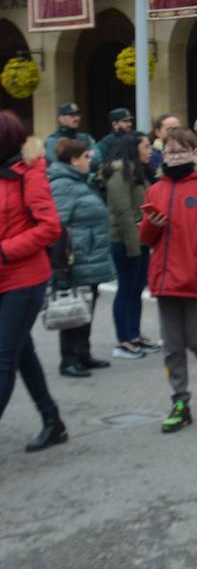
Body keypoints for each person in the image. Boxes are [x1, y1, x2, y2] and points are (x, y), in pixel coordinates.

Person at [140, 127, 197, 433]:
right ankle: (180, 401)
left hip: (196, 281)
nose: (176, 156)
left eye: (182, 151)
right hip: (166, 281)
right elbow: (147, 238)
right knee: (172, 347)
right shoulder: (156, 190)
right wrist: (151, 226)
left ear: (195, 154)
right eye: (170, 151)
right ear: (163, 154)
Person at [0, 112, 67, 452]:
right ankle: (52, 420)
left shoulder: (30, 174)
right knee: (19, 353)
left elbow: (50, 228)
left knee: (3, 357)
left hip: (24, 278)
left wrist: (5, 251)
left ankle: (53, 421)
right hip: (4, 278)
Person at [47, 138, 117, 378]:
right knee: (73, 310)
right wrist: (61, 265)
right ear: (74, 160)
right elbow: (57, 224)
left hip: (90, 256)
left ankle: (83, 355)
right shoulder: (63, 185)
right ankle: (69, 360)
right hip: (76, 258)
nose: (91, 160)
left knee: (86, 307)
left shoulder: (81, 181)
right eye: (87, 157)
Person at [103, 133, 159, 359]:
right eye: (146, 147)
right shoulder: (119, 173)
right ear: (134, 148)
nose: (150, 151)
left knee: (135, 289)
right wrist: (134, 246)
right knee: (126, 289)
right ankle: (123, 341)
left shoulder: (136, 171)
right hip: (125, 241)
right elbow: (123, 212)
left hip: (139, 240)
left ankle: (134, 335)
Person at [45, 102, 97, 171]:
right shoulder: (53, 141)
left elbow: (97, 160)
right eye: (72, 115)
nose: (76, 118)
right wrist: (84, 160)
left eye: (78, 114)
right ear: (61, 119)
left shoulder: (85, 138)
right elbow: (56, 166)